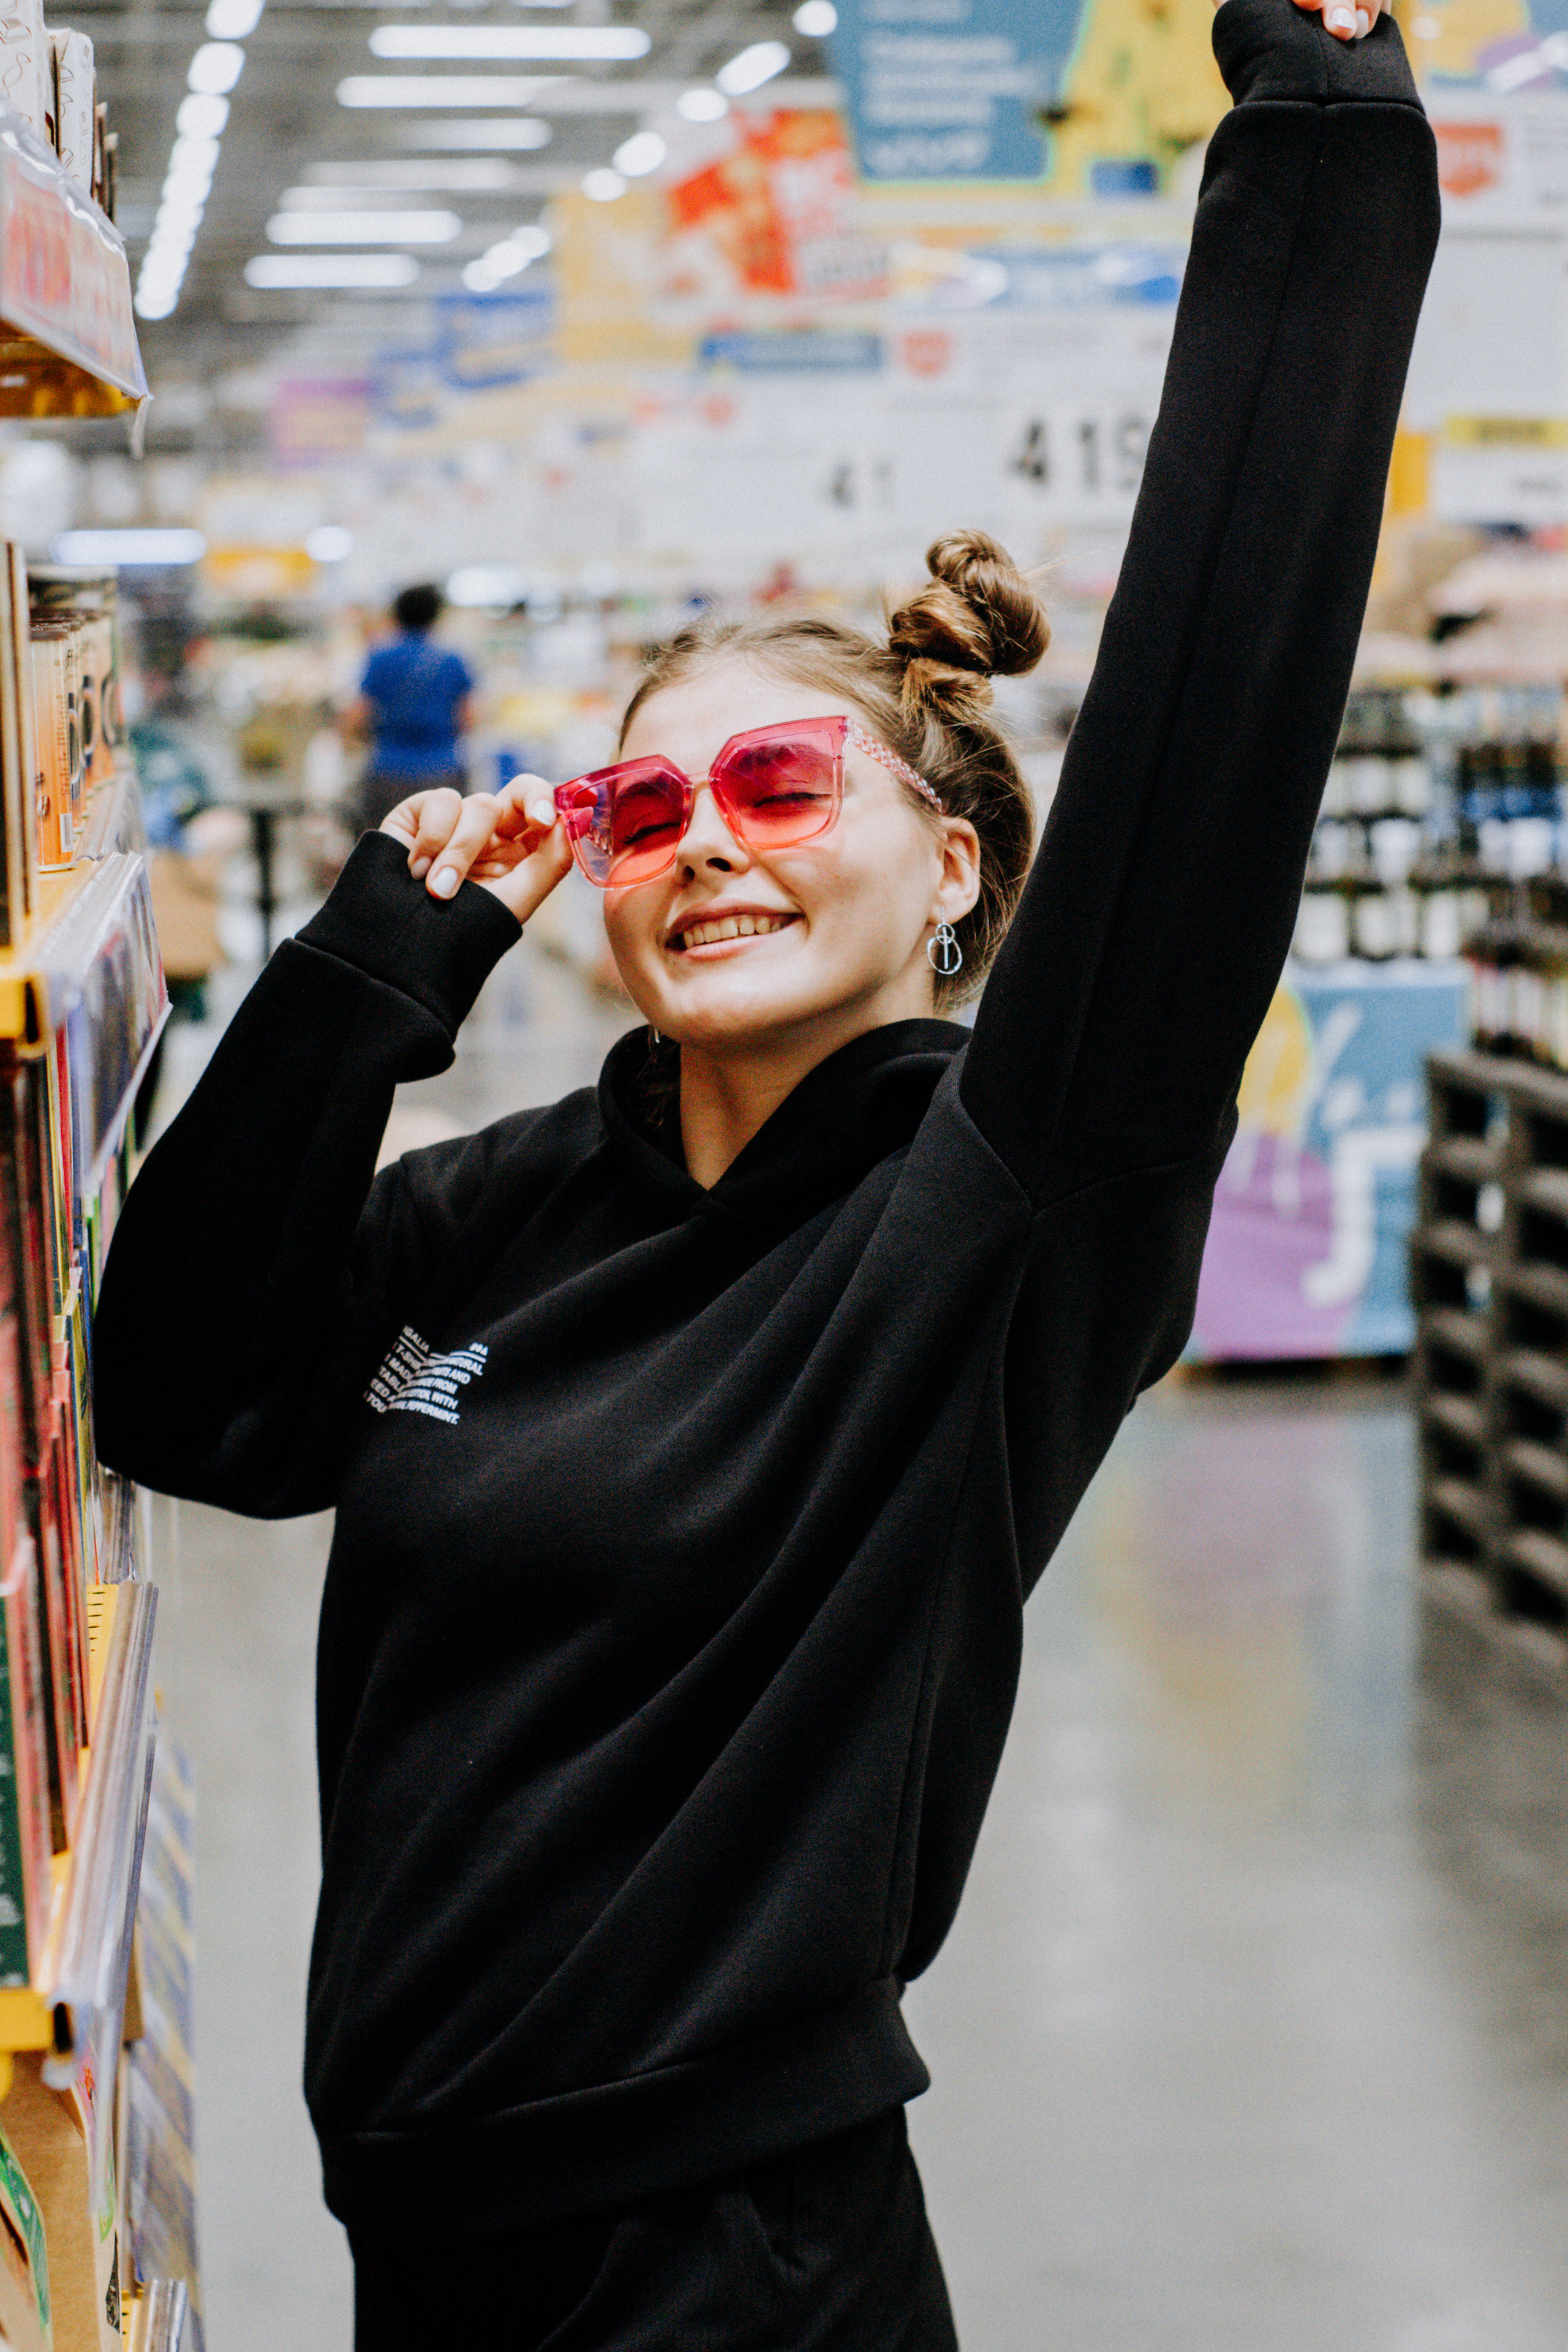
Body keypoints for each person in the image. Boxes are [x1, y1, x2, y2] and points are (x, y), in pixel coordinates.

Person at [92, 0, 1438, 2342]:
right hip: (417, 2248)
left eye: (782, 789)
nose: (703, 844)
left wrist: (1322, 128)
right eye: (644, 808)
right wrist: (370, 970)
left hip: (731, 2271)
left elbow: (1216, 707)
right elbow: (187, 1399)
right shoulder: (501, 1209)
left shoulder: (995, 1210)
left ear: (950, 869)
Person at [344, 581, 474, 832]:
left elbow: (358, 714)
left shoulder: (380, 657)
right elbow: (468, 718)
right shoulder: (453, 659)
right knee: (443, 842)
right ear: (436, 616)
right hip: (443, 770)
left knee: (386, 842)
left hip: (388, 769)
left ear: (397, 614)